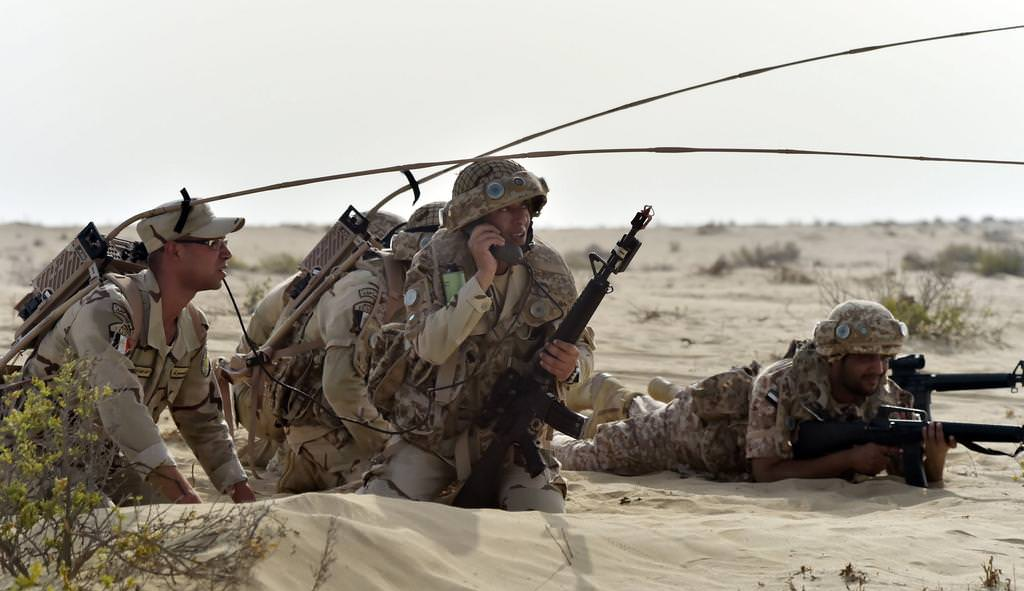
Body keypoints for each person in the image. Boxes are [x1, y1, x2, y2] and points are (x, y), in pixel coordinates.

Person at [359, 160, 595, 512]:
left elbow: (583, 345)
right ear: (475, 217)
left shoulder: (548, 269)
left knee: (542, 519)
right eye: (506, 208)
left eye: (525, 207)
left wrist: (573, 367)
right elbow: (431, 347)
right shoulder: (435, 262)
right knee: (380, 510)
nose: (521, 219)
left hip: (515, 443)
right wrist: (482, 277)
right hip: (433, 440)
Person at [553, 300, 953, 484]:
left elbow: (909, 475)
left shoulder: (887, 395)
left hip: (725, 449)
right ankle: (607, 404)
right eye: (865, 358)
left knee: (637, 416)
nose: (878, 369)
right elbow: (767, 472)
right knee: (580, 458)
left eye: (884, 358)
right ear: (835, 357)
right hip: (687, 433)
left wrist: (934, 460)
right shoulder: (780, 383)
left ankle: (620, 398)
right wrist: (849, 459)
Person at [21, 198, 256, 504]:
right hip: (32, 454)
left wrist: (240, 491)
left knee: (169, 518)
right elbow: (121, 407)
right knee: (107, 522)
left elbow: (202, 418)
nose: (226, 253)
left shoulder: (192, 324)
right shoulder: (107, 308)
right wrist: (185, 497)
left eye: (224, 243)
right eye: (213, 243)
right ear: (174, 250)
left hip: (103, 457)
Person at [234, 207, 446, 493]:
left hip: (307, 400)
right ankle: (292, 457)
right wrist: (389, 445)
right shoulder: (359, 287)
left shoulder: (390, 286)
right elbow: (340, 385)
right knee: (396, 485)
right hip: (267, 399)